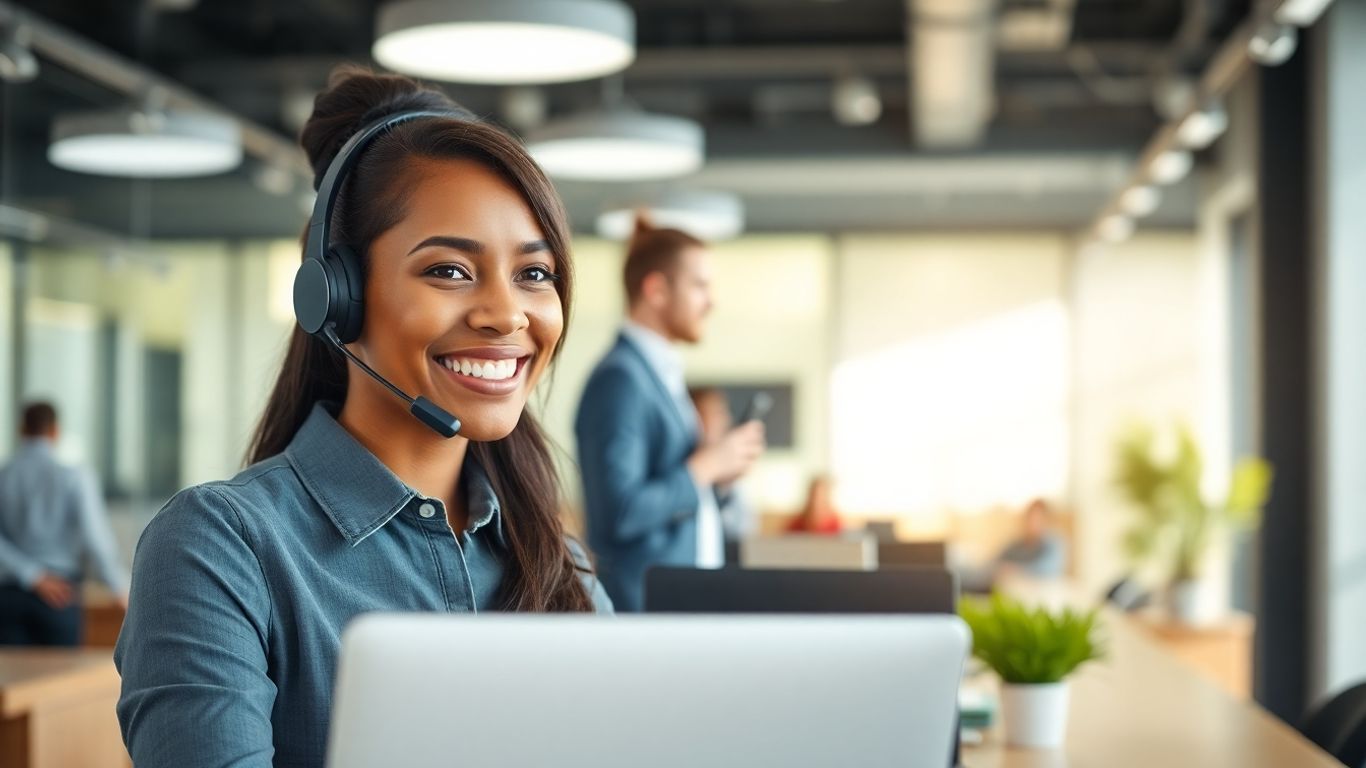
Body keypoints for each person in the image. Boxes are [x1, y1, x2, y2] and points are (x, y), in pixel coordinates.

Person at [114, 66, 612, 768]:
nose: (507, 314)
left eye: (534, 274)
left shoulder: (563, 567)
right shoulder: (220, 549)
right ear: (337, 297)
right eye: (449, 270)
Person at [575, 215, 765, 611]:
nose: (711, 301)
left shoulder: (656, 374)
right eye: (699, 286)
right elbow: (621, 514)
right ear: (657, 289)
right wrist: (705, 467)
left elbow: (675, 495)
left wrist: (720, 477)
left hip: (677, 603)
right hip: (646, 612)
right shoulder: (621, 380)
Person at [0, 401, 128, 646]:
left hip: (7, 596)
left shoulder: (3, 476)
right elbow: (96, 539)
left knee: (8, 681)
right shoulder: (75, 476)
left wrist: (32, 575)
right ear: (55, 431)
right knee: (58, 682)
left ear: (21, 429)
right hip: (60, 594)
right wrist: (120, 588)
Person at [688, 386, 757, 543]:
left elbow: (744, 532)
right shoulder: (685, 470)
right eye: (716, 413)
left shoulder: (727, 474)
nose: (725, 421)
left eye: (724, 413)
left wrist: (726, 486)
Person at [994, 498, 1067, 579]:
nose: (1032, 523)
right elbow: (996, 562)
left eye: (1037, 519)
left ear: (1046, 520)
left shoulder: (1054, 542)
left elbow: (1048, 568)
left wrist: (1016, 569)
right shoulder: (1018, 543)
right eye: (1029, 518)